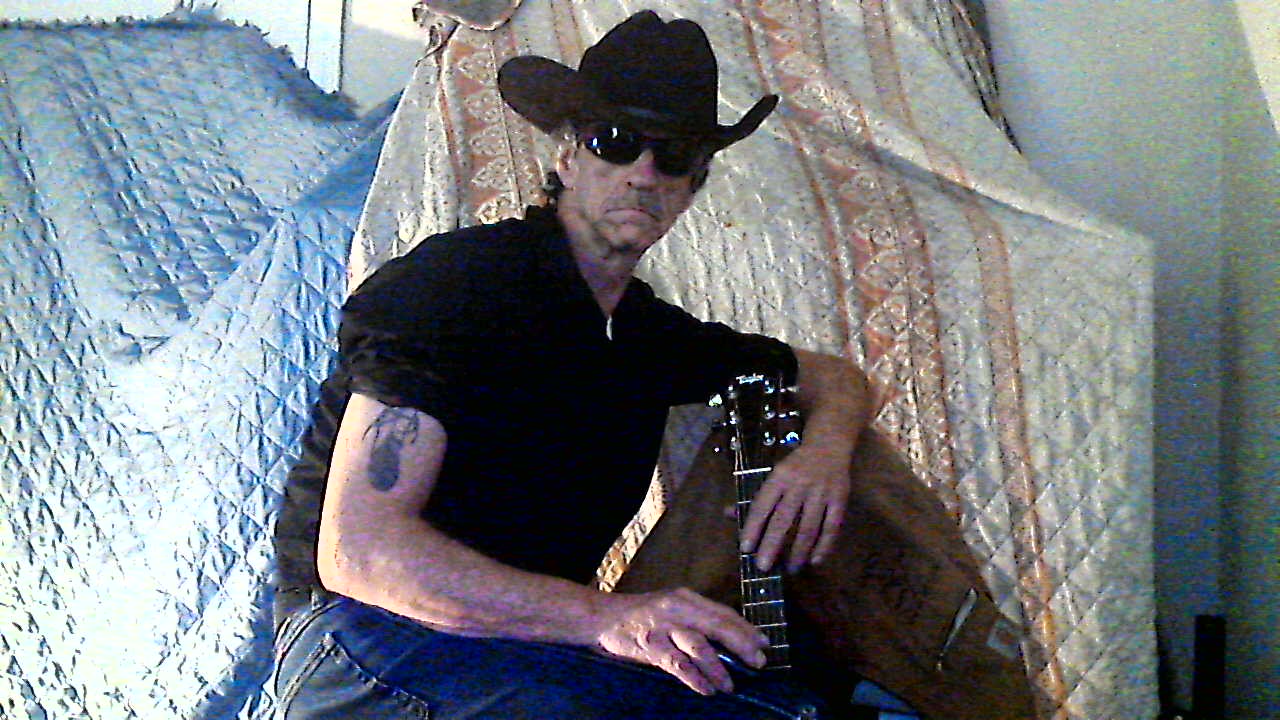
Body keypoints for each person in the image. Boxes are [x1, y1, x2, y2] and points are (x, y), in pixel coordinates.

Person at [271, 10, 871, 719]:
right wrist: (606, 618)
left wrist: (824, 451)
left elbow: (833, 377)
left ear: (692, 186)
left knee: (799, 705)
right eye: (616, 142)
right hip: (358, 642)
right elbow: (361, 556)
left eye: (674, 156)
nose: (643, 174)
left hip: (523, 651)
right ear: (568, 158)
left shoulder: (644, 337)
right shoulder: (456, 285)